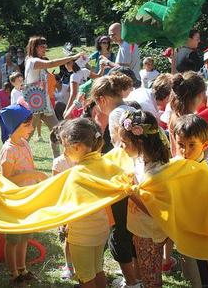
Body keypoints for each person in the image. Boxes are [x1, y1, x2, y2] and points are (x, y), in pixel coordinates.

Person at [90, 74, 140, 288]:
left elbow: (122, 152)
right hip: (140, 177)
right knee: (134, 229)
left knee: (119, 230)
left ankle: (131, 281)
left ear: (101, 99)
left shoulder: (114, 116)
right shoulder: (132, 109)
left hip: (124, 180)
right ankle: (139, 277)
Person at [118, 110, 170, 288]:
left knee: (151, 277)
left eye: (124, 142)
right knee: (148, 270)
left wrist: (131, 191)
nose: (121, 147)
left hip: (149, 234)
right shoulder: (142, 159)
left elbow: (154, 211)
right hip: (141, 230)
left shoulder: (156, 173)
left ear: (139, 142)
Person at [59, 118, 113, 288]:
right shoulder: (103, 163)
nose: (64, 151)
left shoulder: (77, 173)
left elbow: (70, 204)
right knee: (98, 269)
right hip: (100, 229)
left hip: (81, 234)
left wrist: (63, 223)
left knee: (85, 277)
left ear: (77, 147)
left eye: (65, 146)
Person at [0, 104, 47, 287]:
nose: (32, 128)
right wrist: (32, 175)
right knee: (13, 239)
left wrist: (36, 184)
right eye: (27, 125)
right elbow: (7, 179)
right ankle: (13, 273)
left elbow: (30, 167)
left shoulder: (24, 143)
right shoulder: (8, 150)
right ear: (15, 126)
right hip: (15, 200)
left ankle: (22, 268)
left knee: (25, 237)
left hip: (28, 198)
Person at [24, 36, 83, 157]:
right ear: (34, 47)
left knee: (57, 129)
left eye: (46, 46)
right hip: (34, 99)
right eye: (42, 46)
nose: (45, 48)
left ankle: (57, 159)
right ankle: (17, 158)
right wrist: (72, 57)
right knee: (29, 132)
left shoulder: (37, 60)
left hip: (43, 99)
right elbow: (50, 63)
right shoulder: (32, 61)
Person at [172, 114, 208, 288]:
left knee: (205, 276)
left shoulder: (205, 173)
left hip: (202, 236)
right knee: (193, 276)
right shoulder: (176, 166)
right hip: (184, 233)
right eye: (181, 145)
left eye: (191, 145)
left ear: (205, 145)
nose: (185, 151)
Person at [50, 124, 76, 280]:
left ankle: (79, 265)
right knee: (68, 237)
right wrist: (59, 218)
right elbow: (55, 189)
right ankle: (69, 266)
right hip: (67, 204)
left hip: (81, 203)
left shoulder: (81, 157)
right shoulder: (59, 162)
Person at [168, 72, 206, 156]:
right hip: (192, 167)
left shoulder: (174, 115)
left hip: (178, 164)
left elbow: (173, 150)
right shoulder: (193, 123)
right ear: (200, 95)